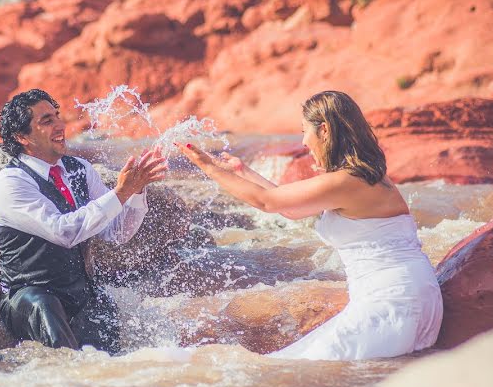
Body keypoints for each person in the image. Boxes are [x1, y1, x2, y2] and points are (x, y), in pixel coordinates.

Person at [180, 90, 443, 360]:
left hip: (393, 303)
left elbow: (267, 203)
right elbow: (290, 209)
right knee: (291, 364)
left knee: (297, 370)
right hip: (410, 297)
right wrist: (243, 172)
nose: (304, 141)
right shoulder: (363, 178)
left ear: (325, 130)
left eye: (304, 130)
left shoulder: (347, 182)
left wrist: (207, 167)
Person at [0, 89, 167, 353]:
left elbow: (117, 233)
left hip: (79, 293)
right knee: (44, 306)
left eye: (57, 117)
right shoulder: (11, 183)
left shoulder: (79, 170)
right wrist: (120, 192)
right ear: (22, 137)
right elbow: (64, 231)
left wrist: (136, 191)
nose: (60, 125)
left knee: (103, 310)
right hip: (29, 300)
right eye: (47, 121)